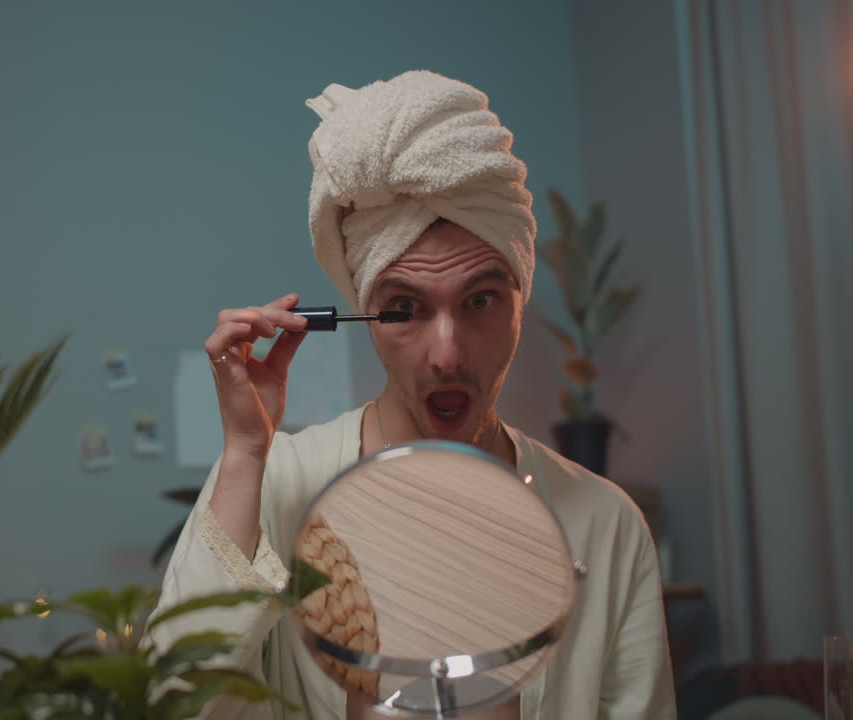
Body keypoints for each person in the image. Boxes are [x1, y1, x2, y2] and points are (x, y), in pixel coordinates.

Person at [146, 70, 676, 719]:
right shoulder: (276, 484)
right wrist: (244, 454)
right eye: (404, 308)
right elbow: (177, 705)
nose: (446, 354)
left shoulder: (605, 523)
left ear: (520, 305)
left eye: (481, 301)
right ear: (367, 314)